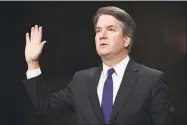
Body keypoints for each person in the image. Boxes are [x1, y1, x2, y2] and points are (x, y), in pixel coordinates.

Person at [23, 6, 174, 124]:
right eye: (98, 30)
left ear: (126, 40)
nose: (102, 35)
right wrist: (32, 63)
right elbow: (45, 107)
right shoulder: (81, 80)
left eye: (110, 29)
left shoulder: (151, 80)